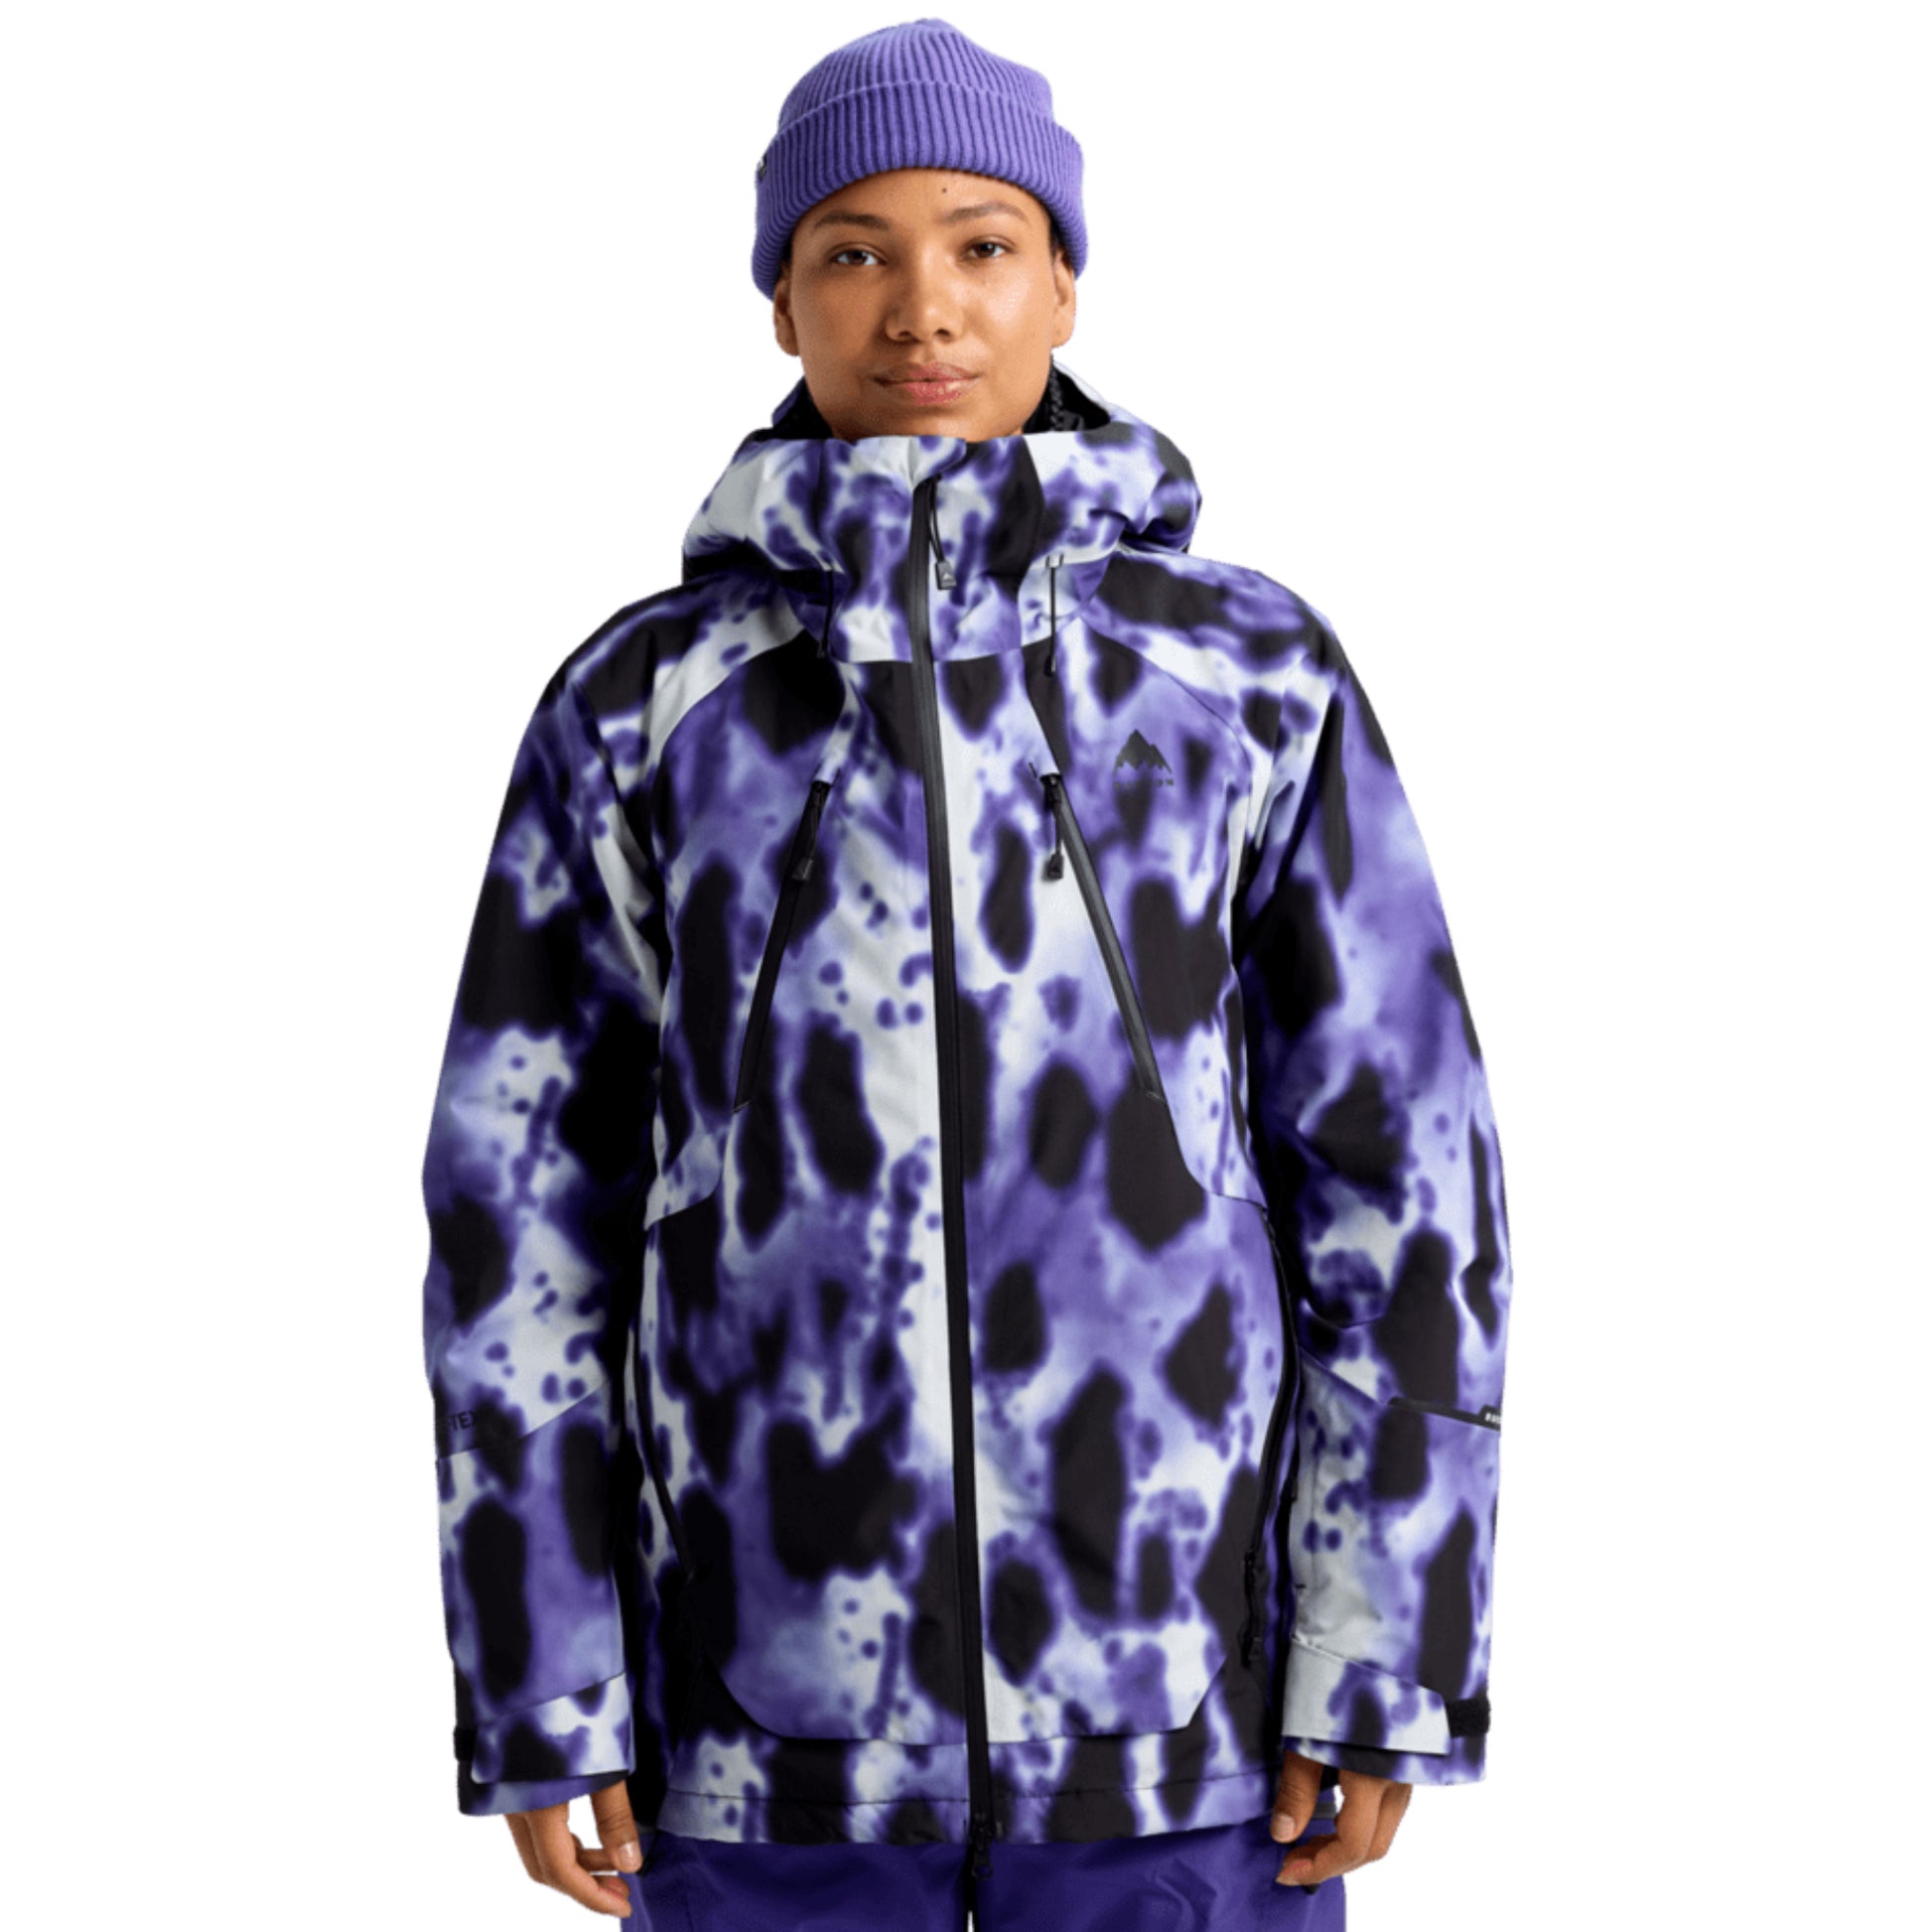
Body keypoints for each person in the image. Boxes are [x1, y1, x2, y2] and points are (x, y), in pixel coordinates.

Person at [417, 17, 1514, 1927]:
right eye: (852, 250)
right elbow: (521, 1218)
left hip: (1186, 1739)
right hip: (759, 1753)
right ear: (781, 303)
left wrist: (1388, 1654)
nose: (920, 304)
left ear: (1062, 283)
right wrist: (541, 1684)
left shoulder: (1243, 678)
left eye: (981, 244)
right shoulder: (642, 704)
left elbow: (1403, 1178)